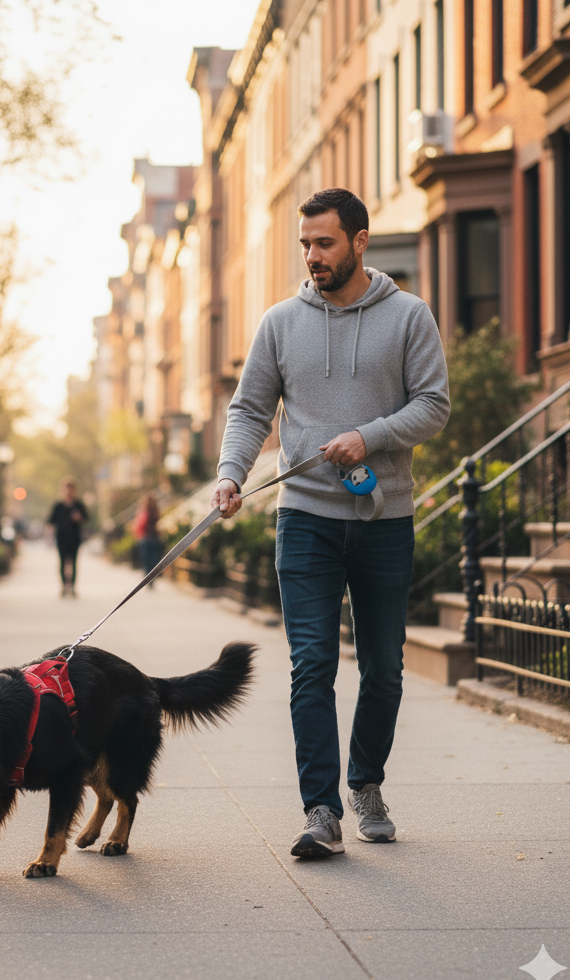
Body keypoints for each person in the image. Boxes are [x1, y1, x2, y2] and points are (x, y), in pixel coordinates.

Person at [211, 188, 449, 858]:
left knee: (384, 671)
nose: (313, 256)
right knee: (311, 664)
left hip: (384, 519)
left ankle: (365, 783)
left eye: (325, 243)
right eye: (306, 244)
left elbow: (433, 406)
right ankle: (320, 809)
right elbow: (249, 409)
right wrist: (231, 474)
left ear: (360, 241)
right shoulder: (281, 323)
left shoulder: (407, 316)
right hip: (306, 519)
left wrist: (367, 437)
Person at [48, 478, 88, 597]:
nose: (69, 492)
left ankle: (73, 587)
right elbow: (50, 521)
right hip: (61, 538)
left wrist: (79, 518)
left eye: (71, 489)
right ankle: (64, 586)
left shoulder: (78, 505)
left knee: (74, 562)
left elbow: (86, 518)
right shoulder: (58, 506)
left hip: (74, 538)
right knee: (62, 562)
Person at [133, 493, 162, 580]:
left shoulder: (144, 512)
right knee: (152, 558)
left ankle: (149, 575)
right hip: (151, 537)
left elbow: (140, 524)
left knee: (148, 558)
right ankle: (151, 575)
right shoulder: (155, 511)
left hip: (146, 537)